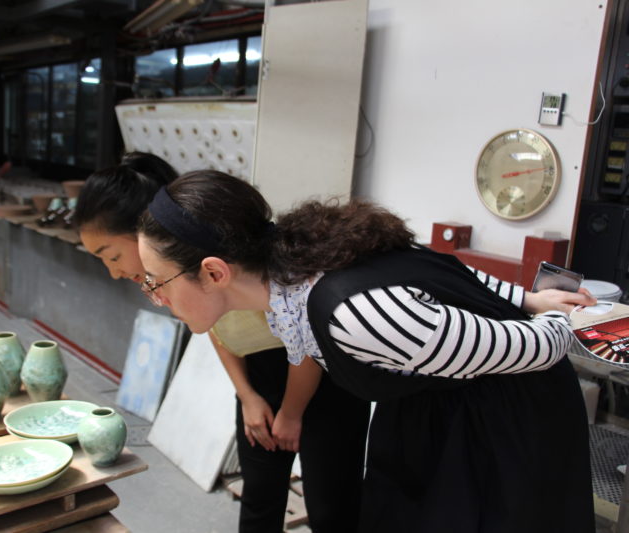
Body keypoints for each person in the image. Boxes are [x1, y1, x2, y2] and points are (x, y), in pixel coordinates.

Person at [136, 170, 598, 533]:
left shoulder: (350, 313)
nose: (154, 297)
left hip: (496, 426)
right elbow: (443, 274)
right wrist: (524, 297)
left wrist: (563, 319)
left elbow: (532, 349)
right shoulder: (303, 267)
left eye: (157, 282)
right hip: (430, 416)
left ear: (215, 272)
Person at [72, 153, 369, 532]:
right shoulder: (173, 278)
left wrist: (292, 412)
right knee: (260, 495)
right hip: (262, 378)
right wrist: (247, 395)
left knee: (332, 504)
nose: (114, 272)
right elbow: (217, 329)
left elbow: (304, 339)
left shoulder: (228, 271)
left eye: (111, 255)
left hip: (321, 377)